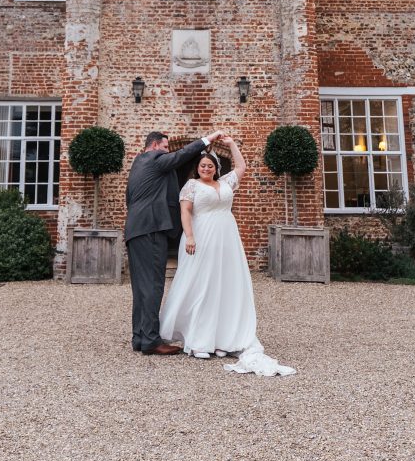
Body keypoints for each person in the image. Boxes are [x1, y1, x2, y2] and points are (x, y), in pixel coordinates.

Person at [159, 135, 296, 376]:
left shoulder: (226, 183)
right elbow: (185, 213)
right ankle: (198, 339)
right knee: (201, 284)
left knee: (225, 284)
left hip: (227, 239)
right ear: (197, 168)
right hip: (201, 236)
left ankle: (222, 339)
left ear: (216, 168)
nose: (206, 169)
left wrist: (232, 144)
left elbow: (242, 167)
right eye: (202, 166)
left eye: (210, 166)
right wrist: (189, 237)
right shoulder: (191, 186)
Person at [124, 128, 224, 355]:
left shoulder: (138, 164)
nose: (168, 152)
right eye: (166, 147)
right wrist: (208, 139)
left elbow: (129, 199)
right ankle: (150, 340)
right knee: (152, 286)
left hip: (135, 229)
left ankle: (140, 337)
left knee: (140, 287)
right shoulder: (155, 158)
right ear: (156, 145)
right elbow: (181, 155)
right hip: (150, 230)